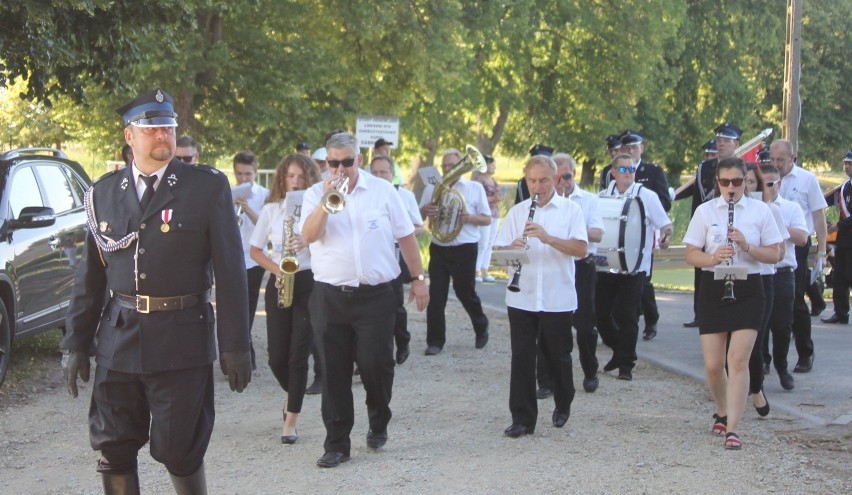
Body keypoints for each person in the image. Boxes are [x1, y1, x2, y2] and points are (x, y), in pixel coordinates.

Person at [61, 88, 252, 493]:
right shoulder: (103, 193)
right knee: (113, 445)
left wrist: (236, 344)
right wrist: (75, 340)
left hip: (182, 338)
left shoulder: (206, 187)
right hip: (120, 337)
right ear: (130, 136)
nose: (162, 135)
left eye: (168, 127)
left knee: (180, 448)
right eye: (151, 129)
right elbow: (91, 277)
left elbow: (232, 271)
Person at [300, 132, 429, 468]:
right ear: (326, 163)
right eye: (333, 162)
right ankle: (337, 443)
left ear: (358, 159)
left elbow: (406, 239)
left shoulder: (383, 191)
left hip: (376, 295)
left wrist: (418, 280)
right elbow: (308, 236)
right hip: (330, 295)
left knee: (376, 365)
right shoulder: (316, 193)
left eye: (347, 161)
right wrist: (326, 201)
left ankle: (378, 417)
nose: (340, 168)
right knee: (333, 370)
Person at [684, 157, 782, 450]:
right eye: (725, 182)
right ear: (718, 182)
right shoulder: (705, 211)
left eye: (737, 182)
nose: (731, 188)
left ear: (745, 182)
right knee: (714, 365)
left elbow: (775, 254)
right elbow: (691, 254)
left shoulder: (760, 211)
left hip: (749, 287)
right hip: (714, 287)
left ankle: (733, 428)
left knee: (737, 360)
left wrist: (747, 246)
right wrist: (713, 257)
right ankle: (723, 408)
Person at [494, 154, 588, 438]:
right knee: (522, 357)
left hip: (557, 297)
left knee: (557, 355)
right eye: (532, 180)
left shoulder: (571, 211)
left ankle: (563, 399)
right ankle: (523, 419)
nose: (538, 186)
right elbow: (498, 256)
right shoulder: (517, 212)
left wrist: (547, 238)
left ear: (556, 179)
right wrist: (512, 247)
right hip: (522, 296)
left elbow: (581, 250)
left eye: (544, 180)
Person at [250, 153, 320, 445]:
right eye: (291, 176)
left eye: (302, 177)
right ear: (282, 178)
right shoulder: (271, 210)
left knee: (298, 355)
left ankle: (291, 420)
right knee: (277, 357)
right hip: (280, 279)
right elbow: (255, 250)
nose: (296, 182)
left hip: (309, 281)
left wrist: (309, 240)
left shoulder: (317, 210)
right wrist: (276, 268)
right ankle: (293, 394)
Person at [596, 154, 672, 381]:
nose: (629, 172)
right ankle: (620, 351)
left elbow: (665, 224)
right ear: (613, 171)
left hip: (635, 267)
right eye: (623, 169)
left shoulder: (646, 196)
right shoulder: (600, 197)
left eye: (631, 169)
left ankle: (626, 365)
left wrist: (666, 237)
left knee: (627, 316)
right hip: (606, 266)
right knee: (601, 315)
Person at [535, 153, 605, 395]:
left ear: (573, 174)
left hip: (581, 265)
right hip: (553, 265)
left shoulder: (588, 200)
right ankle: (546, 380)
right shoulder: (542, 202)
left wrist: (570, 225)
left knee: (585, 325)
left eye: (566, 176)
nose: (562, 182)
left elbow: (597, 234)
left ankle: (590, 370)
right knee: (546, 323)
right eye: (557, 178)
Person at [420, 149, 492, 355]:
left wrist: (470, 218)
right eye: (445, 166)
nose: (448, 169)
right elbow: (419, 215)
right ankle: (435, 341)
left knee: (465, 292)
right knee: (436, 295)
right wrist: (427, 211)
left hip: (465, 248)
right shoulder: (432, 187)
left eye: (452, 165)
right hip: (439, 247)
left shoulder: (474, 188)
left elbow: (486, 219)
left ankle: (481, 326)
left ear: (461, 165)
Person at [676, 122, 742, 328]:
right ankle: (700, 313)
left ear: (736, 144)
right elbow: (699, 197)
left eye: (726, 141)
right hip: (707, 223)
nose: (721, 144)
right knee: (702, 270)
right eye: (719, 140)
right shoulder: (705, 167)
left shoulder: (742, 168)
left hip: (731, 222)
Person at [773, 138, 827, 373]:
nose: (776, 165)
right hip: (769, 243)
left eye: (781, 160)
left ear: (792, 158)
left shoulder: (806, 180)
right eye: (773, 159)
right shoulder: (766, 178)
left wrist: (822, 250)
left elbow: (818, 216)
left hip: (798, 244)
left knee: (795, 299)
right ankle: (765, 357)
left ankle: (805, 352)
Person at [370, 154, 425, 365]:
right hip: (373, 256)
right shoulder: (366, 195)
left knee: (395, 304)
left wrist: (400, 232)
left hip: (396, 254)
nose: (379, 176)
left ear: (392, 175)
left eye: (383, 172)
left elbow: (419, 227)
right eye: (374, 172)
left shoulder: (405, 196)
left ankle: (402, 342)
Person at [760, 164, 808, 391]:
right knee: (758, 324)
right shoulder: (751, 207)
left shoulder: (790, 208)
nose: (767, 188)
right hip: (759, 272)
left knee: (781, 326)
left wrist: (777, 222)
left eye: (770, 184)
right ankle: (761, 364)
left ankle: (781, 365)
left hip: (782, 272)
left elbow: (802, 238)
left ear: (779, 184)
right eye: (762, 184)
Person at [232, 150, 270, 370]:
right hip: (233, 259)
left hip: (254, 259)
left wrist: (248, 210)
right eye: (239, 174)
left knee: (248, 307)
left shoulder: (265, 195)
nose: (243, 179)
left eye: (248, 174)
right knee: (234, 308)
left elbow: (266, 230)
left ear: (255, 172)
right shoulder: (228, 192)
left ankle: (246, 353)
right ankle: (241, 351)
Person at [821, 150, 852, 324]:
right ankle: (841, 313)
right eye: (846, 163)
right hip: (844, 240)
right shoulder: (845, 187)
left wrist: (838, 225)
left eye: (850, 163)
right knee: (840, 277)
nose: (847, 166)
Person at [472, 154, 503, 282]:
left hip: (495, 213)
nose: (494, 166)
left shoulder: (493, 180)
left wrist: (499, 197)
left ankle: (485, 268)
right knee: (482, 242)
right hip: (484, 214)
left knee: (490, 243)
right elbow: (478, 199)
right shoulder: (479, 180)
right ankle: (476, 270)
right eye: (491, 164)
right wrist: (493, 198)